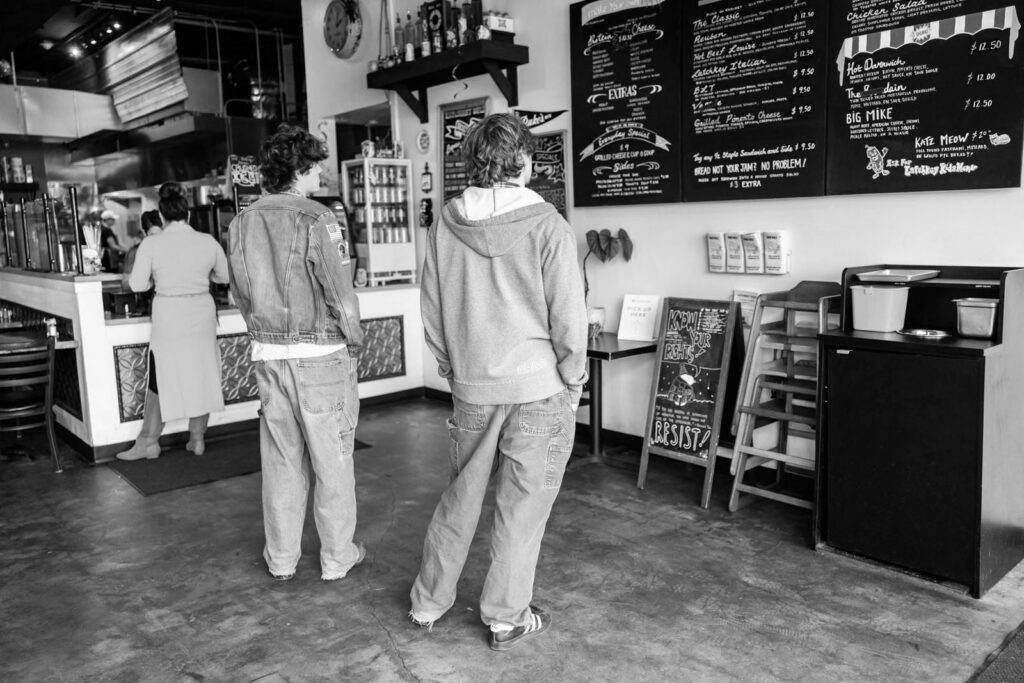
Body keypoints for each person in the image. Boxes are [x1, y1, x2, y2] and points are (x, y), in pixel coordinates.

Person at [410, 113, 588, 651]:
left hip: (471, 389)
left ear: (472, 163)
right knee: (522, 507)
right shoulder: (549, 225)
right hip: (537, 389)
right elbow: (569, 319)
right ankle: (505, 617)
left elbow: (432, 308)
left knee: (459, 499)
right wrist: (573, 377)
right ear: (526, 162)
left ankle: (427, 603)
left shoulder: (446, 223)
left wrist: (452, 366)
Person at [227, 123, 366, 582]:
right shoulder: (317, 218)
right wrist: (355, 337)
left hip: (268, 357)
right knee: (333, 462)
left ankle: (282, 560)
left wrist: (263, 335)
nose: (321, 175)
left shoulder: (241, 222)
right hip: (321, 356)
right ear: (301, 168)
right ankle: (336, 557)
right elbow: (338, 289)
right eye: (317, 166)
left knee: (282, 462)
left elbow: (239, 294)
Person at [116, 183, 229, 461]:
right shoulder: (207, 241)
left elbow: (138, 284)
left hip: (170, 316)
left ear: (162, 217)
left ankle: (149, 442)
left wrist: (158, 277)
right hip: (201, 312)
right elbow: (225, 277)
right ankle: (197, 439)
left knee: (160, 378)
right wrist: (204, 279)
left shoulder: (152, 243)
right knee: (201, 375)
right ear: (187, 215)